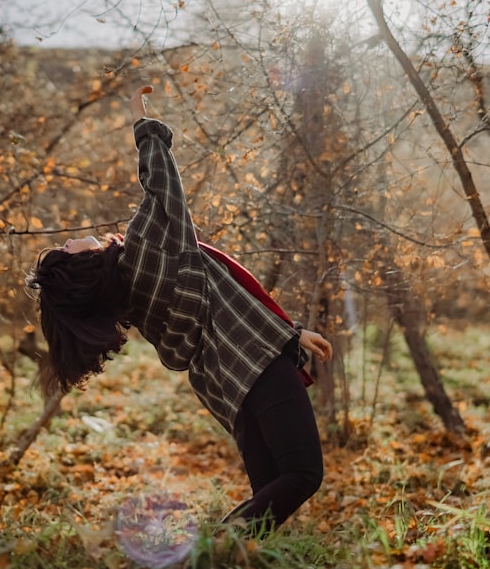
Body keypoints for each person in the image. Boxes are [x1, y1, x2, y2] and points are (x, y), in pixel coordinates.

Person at [27, 85, 333, 532]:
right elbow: (163, 185)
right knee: (303, 474)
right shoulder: (145, 248)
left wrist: (292, 333)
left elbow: (221, 301)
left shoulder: (130, 300)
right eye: (67, 248)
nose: (72, 239)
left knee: (271, 488)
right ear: (81, 264)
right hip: (258, 362)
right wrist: (142, 123)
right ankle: (220, 550)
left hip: (226, 386)